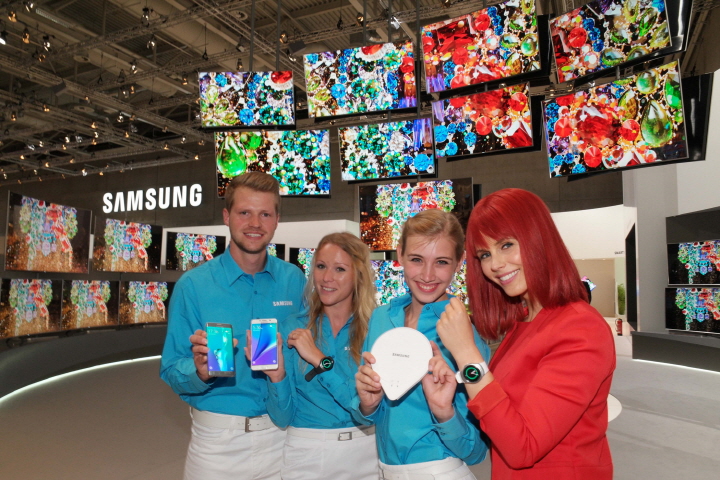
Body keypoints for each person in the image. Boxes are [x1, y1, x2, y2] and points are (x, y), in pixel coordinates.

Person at [435, 188, 615, 479]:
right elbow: (500, 425)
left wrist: (466, 354)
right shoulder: (523, 324)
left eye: (506, 245)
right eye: (485, 254)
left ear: (538, 238)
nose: (495, 264)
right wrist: (447, 404)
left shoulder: (580, 327)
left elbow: (523, 447)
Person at [160, 172, 306, 480]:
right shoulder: (193, 286)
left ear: (277, 220)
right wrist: (199, 371)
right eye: (244, 213)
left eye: (265, 214)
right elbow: (172, 368)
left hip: (283, 438)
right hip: (217, 447)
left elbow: (305, 360)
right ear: (227, 217)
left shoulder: (294, 281)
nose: (255, 224)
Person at [354, 209, 491, 480]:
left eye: (441, 262)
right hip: (384, 470)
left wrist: (445, 413)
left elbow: (476, 451)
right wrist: (367, 404)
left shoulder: (465, 336)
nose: (427, 275)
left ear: (459, 262)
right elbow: (364, 414)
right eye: (417, 259)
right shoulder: (381, 318)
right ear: (400, 254)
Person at [251, 232, 379, 479]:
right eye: (321, 266)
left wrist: (320, 361)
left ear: (358, 275)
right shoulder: (292, 327)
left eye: (339, 269)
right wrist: (277, 377)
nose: (327, 278)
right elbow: (281, 417)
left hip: (367, 453)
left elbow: (364, 408)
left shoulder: (376, 329)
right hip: (307, 455)